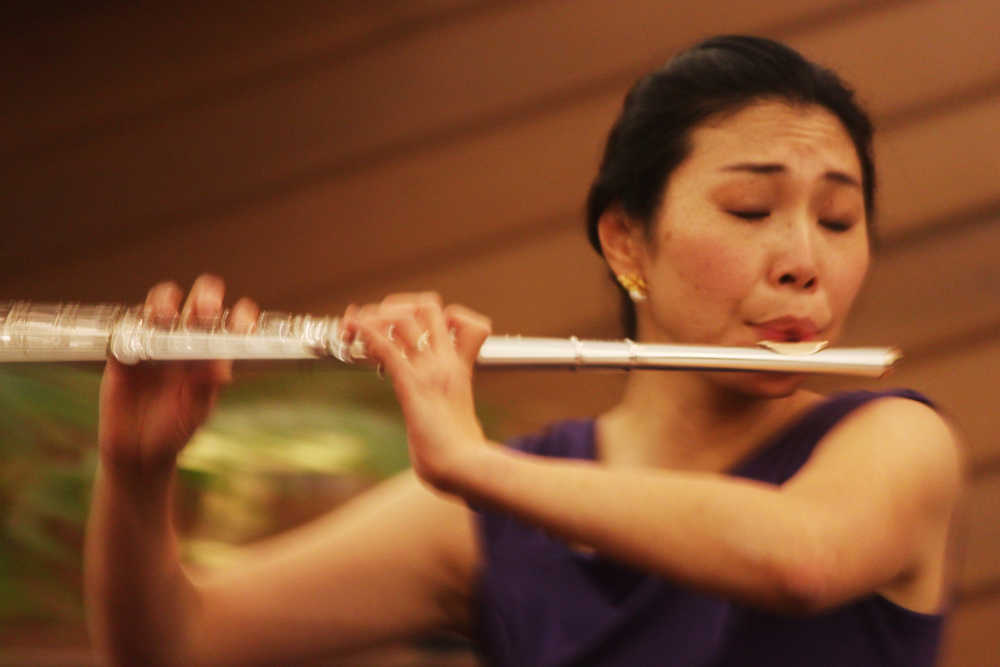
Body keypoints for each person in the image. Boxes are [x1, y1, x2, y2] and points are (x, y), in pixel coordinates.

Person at [85, 35, 962, 666]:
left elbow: (797, 558)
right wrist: (134, 472)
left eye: (838, 221)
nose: (805, 262)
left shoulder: (894, 444)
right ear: (626, 242)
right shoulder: (481, 511)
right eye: (749, 210)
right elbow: (175, 642)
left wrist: (469, 461)